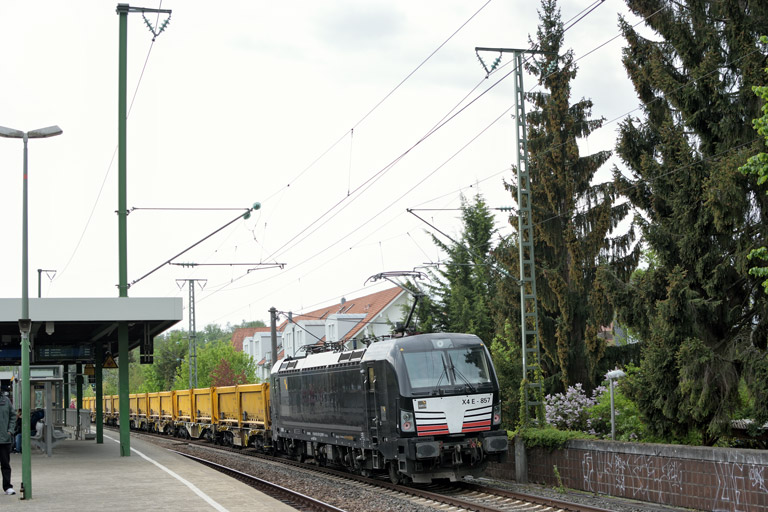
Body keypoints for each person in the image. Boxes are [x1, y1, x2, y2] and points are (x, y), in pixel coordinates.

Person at [0, 392, 16, 495]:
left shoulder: (6, 401)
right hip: (4, 438)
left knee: (5, 464)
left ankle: (7, 487)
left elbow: (13, 416)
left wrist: (10, 431)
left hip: (4, 439)